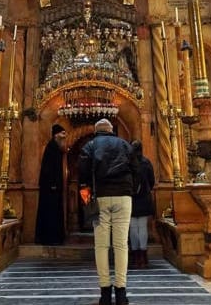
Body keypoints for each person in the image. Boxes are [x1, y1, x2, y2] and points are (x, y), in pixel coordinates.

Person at [79, 119, 137, 305]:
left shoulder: (90, 145)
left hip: (101, 197)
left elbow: (83, 175)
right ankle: (121, 292)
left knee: (101, 246)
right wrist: (130, 191)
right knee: (121, 245)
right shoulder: (124, 144)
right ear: (111, 130)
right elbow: (137, 169)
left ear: (96, 131)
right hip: (123, 197)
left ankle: (105, 293)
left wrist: (87, 201)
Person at [35, 123, 68, 245]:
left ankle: (54, 237)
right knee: (50, 212)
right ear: (56, 135)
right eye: (62, 133)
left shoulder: (56, 147)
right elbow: (48, 168)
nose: (65, 136)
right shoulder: (52, 147)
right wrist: (53, 183)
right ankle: (50, 238)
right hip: (50, 187)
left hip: (53, 187)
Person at [128, 140, 155, 269]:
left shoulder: (127, 163)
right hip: (144, 197)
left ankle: (135, 254)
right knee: (142, 227)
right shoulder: (146, 162)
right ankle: (143, 255)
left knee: (133, 227)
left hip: (131, 198)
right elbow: (152, 181)